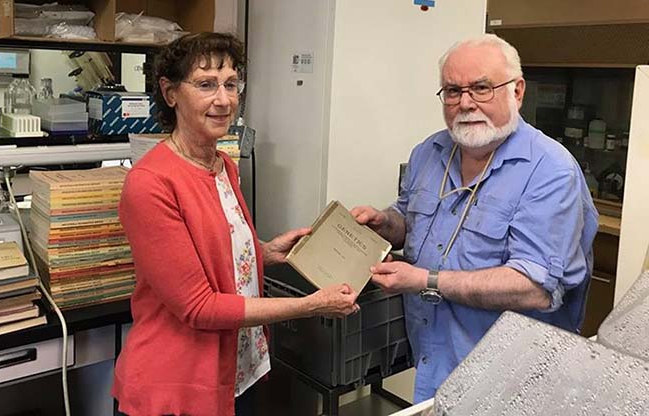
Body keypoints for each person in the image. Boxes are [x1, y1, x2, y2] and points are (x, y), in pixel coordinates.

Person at [114, 32, 360, 416]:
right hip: (179, 385)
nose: (224, 100)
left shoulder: (223, 165)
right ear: (170, 92)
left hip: (237, 372)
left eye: (231, 84)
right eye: (206, 85)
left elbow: (212, 255)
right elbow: (199, 307)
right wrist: (309, 306)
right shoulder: (150, 184)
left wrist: (265, 252)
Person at [351, 34, 597, 402]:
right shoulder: (429, 152)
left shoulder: (550, 170)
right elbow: (410, 219)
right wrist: (386, 224)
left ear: (517, 91)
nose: (465, 103)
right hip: (434, 359)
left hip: (512, 381)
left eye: (481, 88)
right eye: (452, 90)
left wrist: (424, 280)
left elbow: (534, 287)